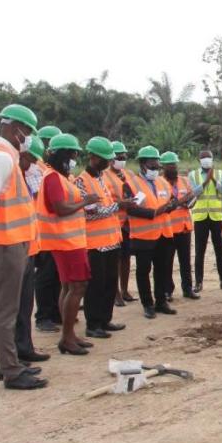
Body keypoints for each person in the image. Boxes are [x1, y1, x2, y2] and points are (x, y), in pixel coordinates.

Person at [0, 104, 46, 389]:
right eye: (27, 131)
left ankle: (7, 363)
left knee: (10, 306)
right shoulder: (3, 158)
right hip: (5, 243)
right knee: (5, 310)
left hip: (13, 242)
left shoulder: (7, 155)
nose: (28, 137)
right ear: (13, 127)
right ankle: (10, 371)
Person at [38, 133, 98, 355]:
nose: (75, 158)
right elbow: (60, 208)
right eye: (72, 154)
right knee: (78, 286)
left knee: (68, 286)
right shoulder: (53, 178)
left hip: (69, 240)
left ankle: (69, 334)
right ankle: (66, 338)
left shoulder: (63, 177)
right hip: (65, 241)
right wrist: (86, 201)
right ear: (63, 155)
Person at [75, 137, 130, 339]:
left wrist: (119, 204)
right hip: (95, 244)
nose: (107, 163)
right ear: (92, 157)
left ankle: (105, 320)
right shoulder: (81, 181)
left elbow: (106, 206)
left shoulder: (101, 179)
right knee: (96, 286)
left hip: (111, 240)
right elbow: (91, 212)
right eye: (104, 159)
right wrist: (120, 206)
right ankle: (93, 324)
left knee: (109, 283)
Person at [126, 145, 177, 319]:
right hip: (143, 236)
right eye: (152, 166)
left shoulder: (163, 182)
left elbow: (170, 201)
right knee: (143, 271)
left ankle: (161, 301)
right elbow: (131, 209)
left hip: (164, 234)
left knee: (162, 269)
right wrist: (154, 213)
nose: (155, 170)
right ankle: (147, 304)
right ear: (142, 165)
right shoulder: (131, 184)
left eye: (157, 167)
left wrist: (171, 206)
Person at [14, 135, 51, 364]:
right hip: (11, 246)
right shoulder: (6, 171)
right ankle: (9, 360)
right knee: (11, 307)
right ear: (22, 154)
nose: (34, 164)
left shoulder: (24, 177)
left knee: (24, 304)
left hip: (28, 244)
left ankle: (24, 348)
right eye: (31, 158)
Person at [33, 126, 64, 331]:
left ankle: (55, 312)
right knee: (45, 275)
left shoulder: (51, 170)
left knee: (56, 275)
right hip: (43, 232)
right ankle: (43, 316)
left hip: (57, 233)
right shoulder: (36, 169)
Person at [189, 148, 222, 293]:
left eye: (209, 157)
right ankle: (198, 282)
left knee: (220, 250)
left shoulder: (220, 174)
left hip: (217, 217)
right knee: (199, 251)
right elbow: (193, 192)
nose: (206, 159)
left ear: (213, 159)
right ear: (199, 160)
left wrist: (213, 179)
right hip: (200, 218)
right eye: (203, 157)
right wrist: (206, 182)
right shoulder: (193, 175)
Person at [160, 151, 198, 302]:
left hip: (184, 227)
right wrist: (181, 201)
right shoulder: (159, 182)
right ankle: (167, 290)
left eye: (174, 164)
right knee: (167, 261)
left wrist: (190, 202)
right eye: (169, 165)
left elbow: (191, 199)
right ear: (163, 166)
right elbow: (165, 203)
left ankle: (188, 289)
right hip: (168, 228)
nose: (172, 167)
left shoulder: (184, 180)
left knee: (185, 260)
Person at [107, 141, 136, 306]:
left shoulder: (129, 174)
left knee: (126, 258)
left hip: (128, 223)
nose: (122, 159)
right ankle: (115, 292)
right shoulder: (104, 176)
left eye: (124, 156)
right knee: (115, 260)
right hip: (113, 223)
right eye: (119, 157)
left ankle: (124, 290)